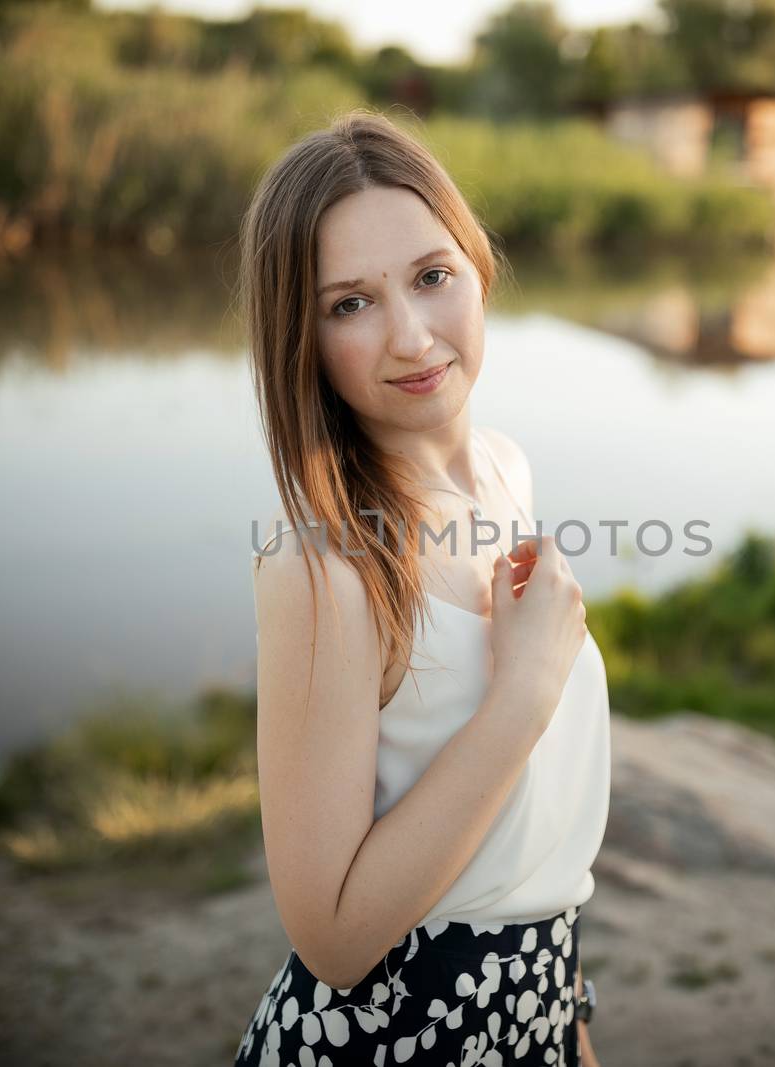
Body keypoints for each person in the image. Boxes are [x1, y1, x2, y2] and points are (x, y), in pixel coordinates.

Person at [232, 110, 610, 1066]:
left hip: (538, 1012)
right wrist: (522, 695)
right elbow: (335, 939)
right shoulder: (326, 567)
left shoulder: (506, 473)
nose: (410, 336)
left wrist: (566, 1022)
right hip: (393, 1040)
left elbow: (528, 856)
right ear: (302, 338)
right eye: (349, 303)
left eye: (431, 277)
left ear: (477, 266)